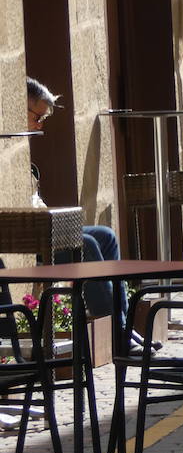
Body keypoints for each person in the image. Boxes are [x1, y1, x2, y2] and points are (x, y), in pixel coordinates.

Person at [25, 78, 145, 344]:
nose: (39, 124)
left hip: (45, 229)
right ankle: (117, 336)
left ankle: (121, 325)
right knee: (87, 244)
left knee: (105, 235)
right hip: (28, 239)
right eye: (38, 117)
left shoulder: (27, 148)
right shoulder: (14, 145)